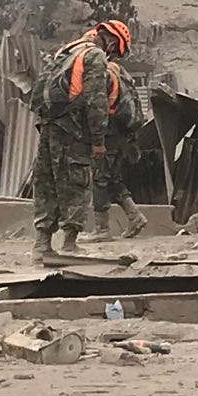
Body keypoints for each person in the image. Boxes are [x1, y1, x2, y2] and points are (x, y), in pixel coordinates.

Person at [28, 20, 129, 263]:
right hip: (73, 131)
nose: (112, 56)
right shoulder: (94, 56)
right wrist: (98, 140)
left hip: (49, 126)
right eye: (115, 52)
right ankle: (69, 245)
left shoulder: (68, 50)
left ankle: (41, 244)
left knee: (47, 182)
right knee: (76, 182)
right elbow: (96, 101)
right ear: (112, 42)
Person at [88, 34, 149, 242]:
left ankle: (101, 229)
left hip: (109, 133)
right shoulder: (122, 72)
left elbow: (99, 105)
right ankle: (134, 216)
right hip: (123, 135)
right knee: (112, 178)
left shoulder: (105, 72)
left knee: (99, 178)